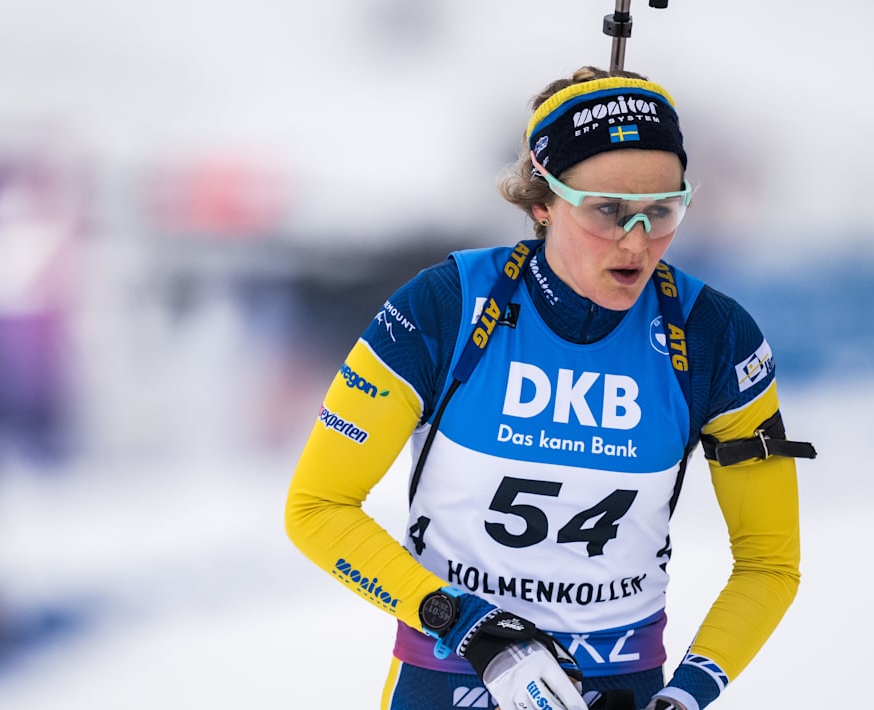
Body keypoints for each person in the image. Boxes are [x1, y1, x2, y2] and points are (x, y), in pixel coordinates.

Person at [285, 66, 814, 710]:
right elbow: (318, 507)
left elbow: (768, 562)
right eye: (607, 212)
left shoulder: (713, 336)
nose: (637, 241)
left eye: (662, 212)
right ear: (542, 203)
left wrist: (685, 696)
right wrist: (469, 625)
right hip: (452, 666)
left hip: (621, 684)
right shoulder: (445, 306)